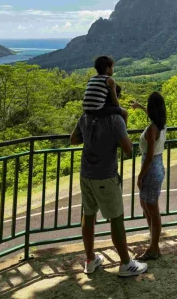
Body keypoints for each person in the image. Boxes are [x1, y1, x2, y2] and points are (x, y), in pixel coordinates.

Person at [70, 103, 147, 277]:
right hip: (105, 176)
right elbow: (128, 149)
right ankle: (126, 264)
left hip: (86, 174)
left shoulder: (86, 116)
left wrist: (92, 139)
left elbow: (73, 139)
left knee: (88, 215)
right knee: (116, 218)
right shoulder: (114, 119)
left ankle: (90, 260)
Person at [131, 92, 167, 260]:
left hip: (151, 170)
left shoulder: (153, 129)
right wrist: (140, 107)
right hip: (158, 167)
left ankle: (154, 248)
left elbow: (150, 155)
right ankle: (154, 245)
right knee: (147, 207)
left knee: (152, 210)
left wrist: (140, 176)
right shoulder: (161, 124)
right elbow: (151, 114)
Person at [83, 55, 128, 125]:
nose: (113, 70)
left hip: (86, 110)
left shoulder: (91, 79)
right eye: (112, 67)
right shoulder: (109, 80)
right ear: (107, 69)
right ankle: (124, 132)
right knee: (125, 113)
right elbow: (115, 101)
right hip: (99, 110)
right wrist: (118, 107)